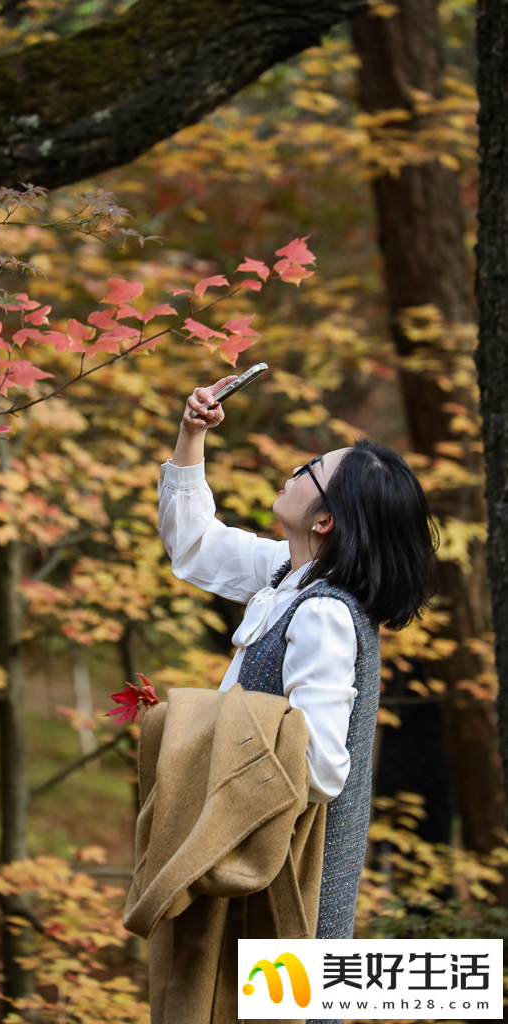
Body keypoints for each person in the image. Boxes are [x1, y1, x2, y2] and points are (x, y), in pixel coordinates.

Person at [157, 377, 439, 1019]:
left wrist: (208, 729)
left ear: (324, 520)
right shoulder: (291, 575)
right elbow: (195, 546)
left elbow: (321, 767)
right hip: (259, 861)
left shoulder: (324, 614)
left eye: (310, 469)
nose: (293, 468)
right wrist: (192, 435)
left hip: (288, 875)